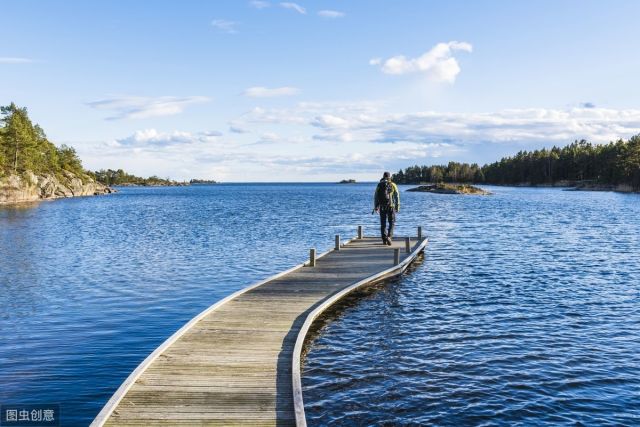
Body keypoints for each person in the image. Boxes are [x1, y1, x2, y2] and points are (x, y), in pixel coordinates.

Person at [373, 171, 400, 245]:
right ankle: (389, 236)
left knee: (383, 223)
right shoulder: (392, 184)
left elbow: (375, 196)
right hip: (391, 206)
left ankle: (384, 239)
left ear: (383, 176)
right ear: (389, 177)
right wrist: (397, 206)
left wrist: (376, 207)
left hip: (382, 207)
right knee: (392, 222)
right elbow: (397, 196)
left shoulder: (379, 185)